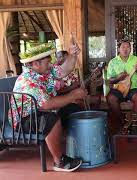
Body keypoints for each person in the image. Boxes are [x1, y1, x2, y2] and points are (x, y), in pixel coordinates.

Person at [8, 43, 86, 172]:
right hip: (24, 120)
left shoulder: (45, 72)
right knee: (51, 119)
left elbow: (64, 70)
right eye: (48, 62)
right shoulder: (28, 81)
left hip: (41, 111)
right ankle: (59, 162)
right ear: (36, 64)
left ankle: (74, 146)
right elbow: (47, 104)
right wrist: (73, 95)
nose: (51, 65)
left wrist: (73, 54)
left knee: (73, 109)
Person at [106, 39, 137, 133]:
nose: (125, 49)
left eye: (128, 47)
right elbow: (109, 81)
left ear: (130, 49)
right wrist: (118, 78)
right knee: (111, 98)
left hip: (133, 88)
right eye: (123, 47)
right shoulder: (113, 62)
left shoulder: (136, 59)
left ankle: (132, 121)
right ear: (118, 49)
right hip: (118, 88)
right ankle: (123, 120)